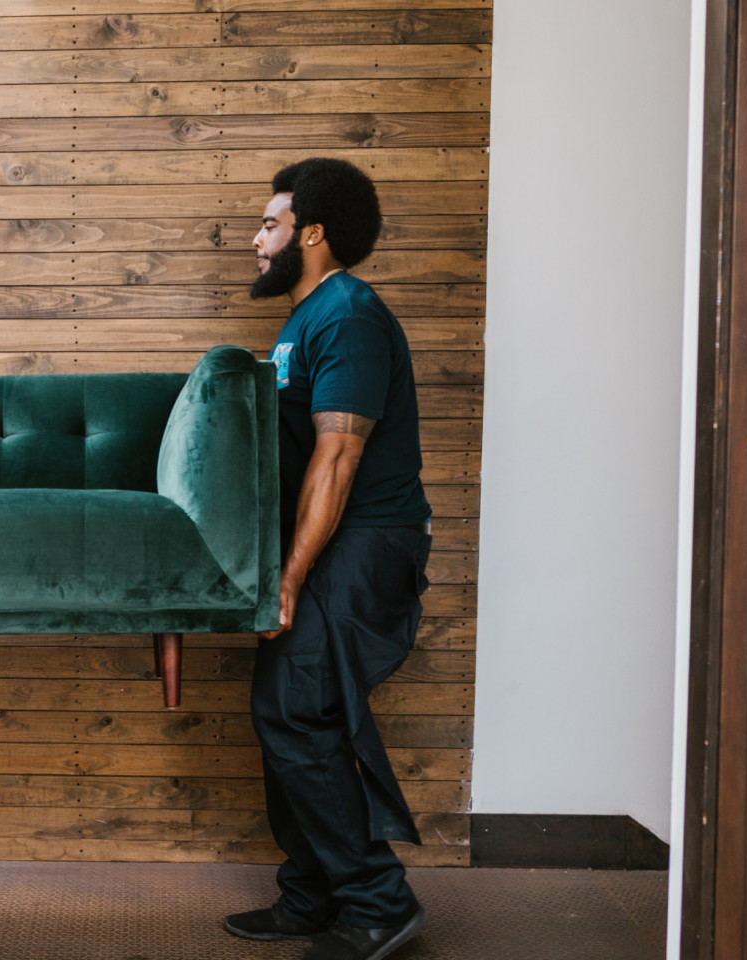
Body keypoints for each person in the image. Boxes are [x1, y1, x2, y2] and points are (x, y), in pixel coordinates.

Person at [222, 158, 434, 960]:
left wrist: (289, 575)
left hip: (363, 545)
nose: (256, 238)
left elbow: (337, 459)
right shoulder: (305, 319)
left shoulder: (347, 316)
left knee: (297, 711)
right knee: (287, 713)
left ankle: (379, 903)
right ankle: (311, 897)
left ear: (312, 233)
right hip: (328, 546)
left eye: (270, 224)